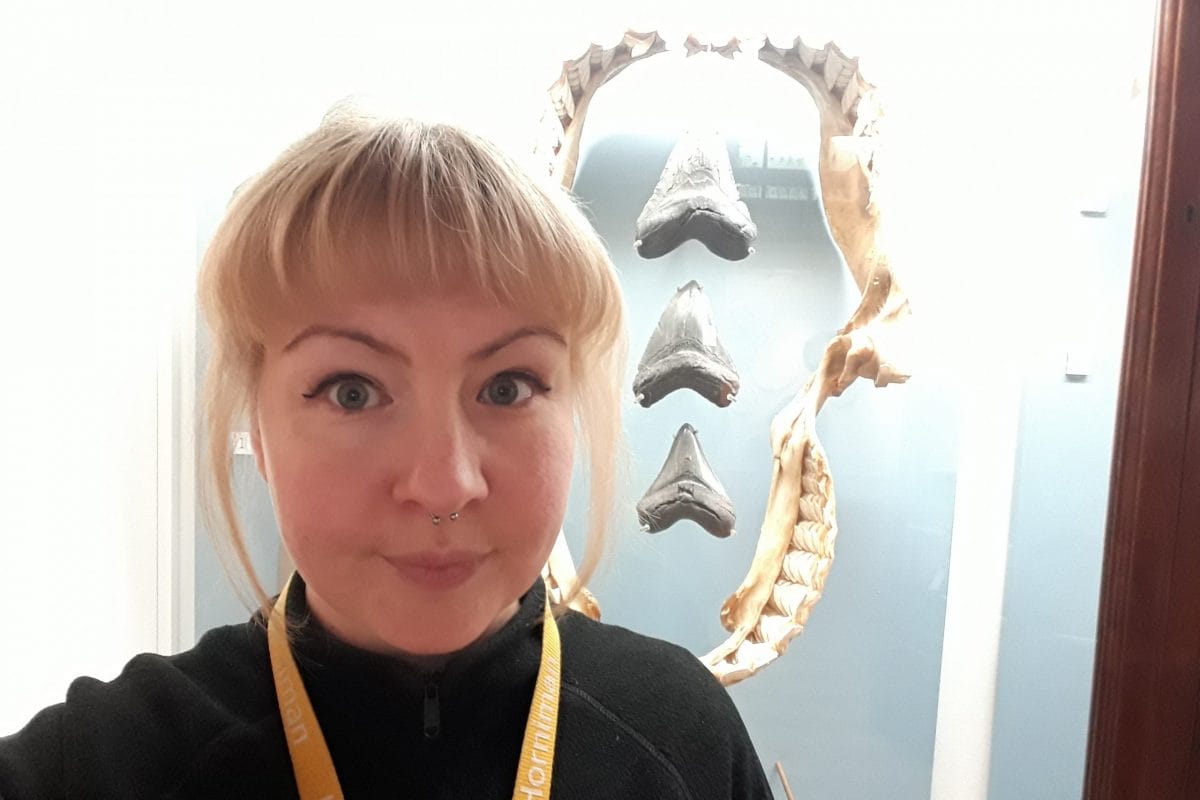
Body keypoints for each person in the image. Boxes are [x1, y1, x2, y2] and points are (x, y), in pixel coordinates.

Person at [0, 107, 772, 798]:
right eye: (352, 391)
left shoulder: (683, 738)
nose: (443, 484)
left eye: (506, 387)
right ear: (258, 429)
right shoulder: (96, 764)